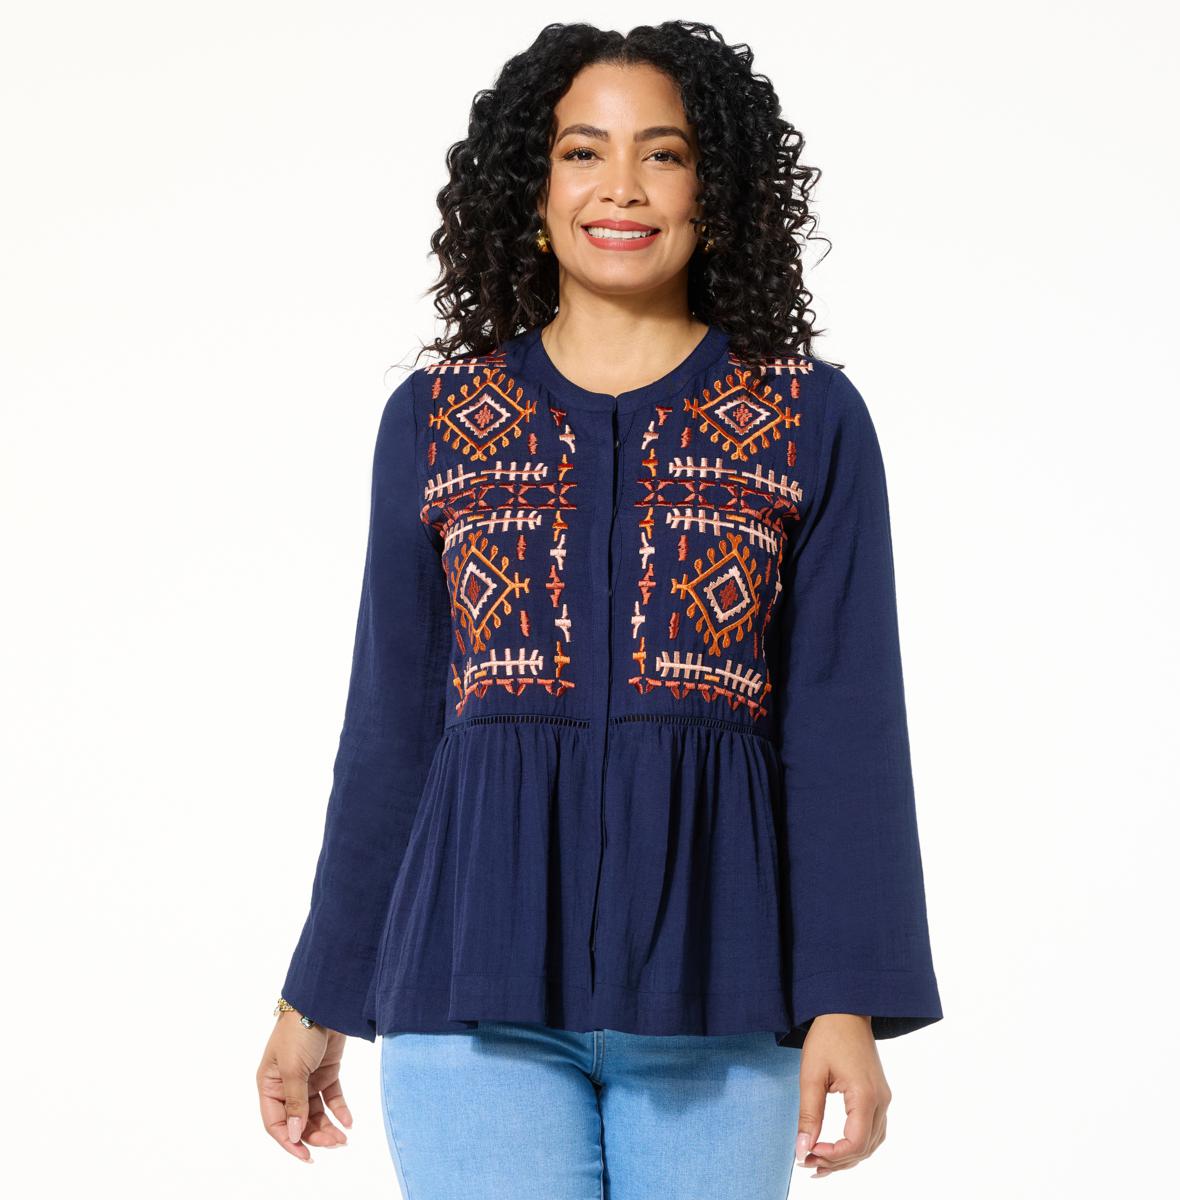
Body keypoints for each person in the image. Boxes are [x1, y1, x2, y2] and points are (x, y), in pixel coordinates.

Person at [255, 19, 943, 1197]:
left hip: (722, 995)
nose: (622, 186)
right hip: (466, 997)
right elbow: (390, 731)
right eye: (583, 151)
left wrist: (848, 1000)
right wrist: (317, 993)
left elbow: (845, 728)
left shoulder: (807, 417)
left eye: (663, 154)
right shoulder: (435, 420)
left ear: (716, 190)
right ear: (532, 186)